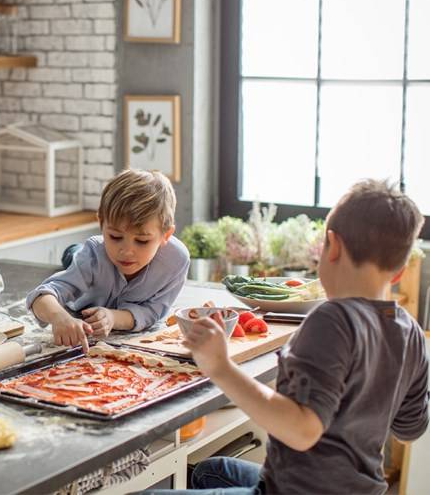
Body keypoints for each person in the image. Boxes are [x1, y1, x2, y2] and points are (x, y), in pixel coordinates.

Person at [175, 180, 428, 494]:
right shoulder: (410, 331)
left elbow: (302, 431)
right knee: (210, 471)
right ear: (400, 271)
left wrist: (220, 367)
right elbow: (410, 429)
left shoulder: (332, 320)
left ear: (331, 247)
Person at [26, 169, 190, 352]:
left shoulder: (176, 261)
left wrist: (112, 317)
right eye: (115, 236)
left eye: (142, 241)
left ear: (166, 235)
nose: (127, 251)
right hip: (88, 256)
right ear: (101, 224)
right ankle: (73, 252)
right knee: (75, 254)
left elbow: (152, 312)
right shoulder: (94, 254)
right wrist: (59, 317)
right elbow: (40, 296)